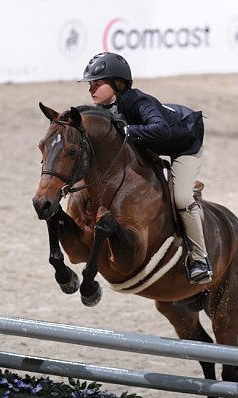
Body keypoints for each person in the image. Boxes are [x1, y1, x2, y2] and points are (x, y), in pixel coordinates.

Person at [79, 52, 212, 284]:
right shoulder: (106, 108)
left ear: (118, 84)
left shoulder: (138, 101)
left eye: (97, 84)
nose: (91, 89)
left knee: (180, 197)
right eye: (90, 84)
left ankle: (200, 259)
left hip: (183, 142)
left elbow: (161, 131)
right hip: (152, 143)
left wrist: (127, 131)